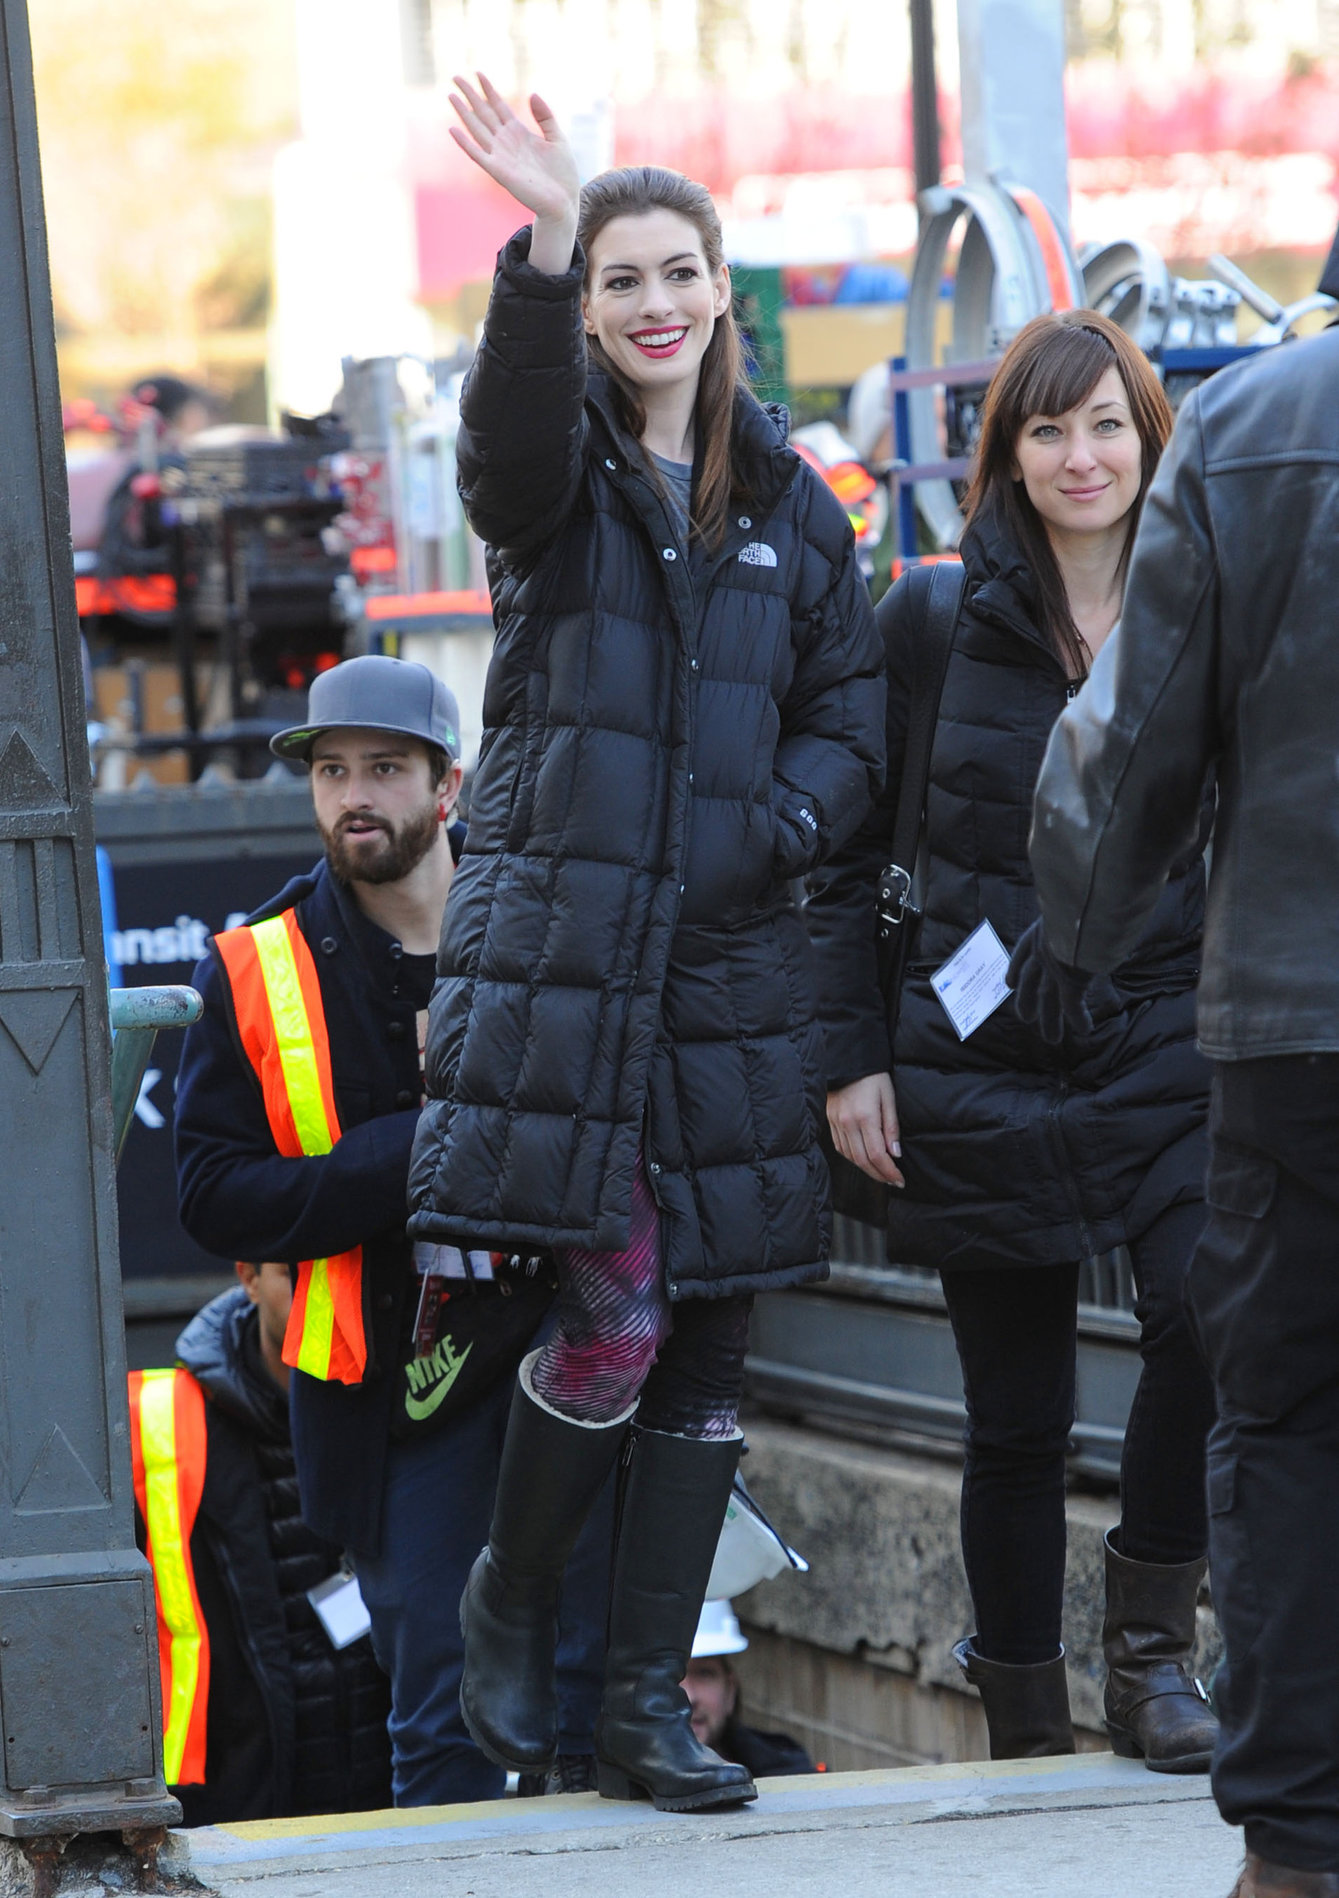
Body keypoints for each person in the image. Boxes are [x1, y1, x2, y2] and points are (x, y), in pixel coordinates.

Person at [405, 76, 884, 1815]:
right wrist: (544, 235)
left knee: (706, 1342)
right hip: (568, 964)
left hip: (726, 969)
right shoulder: (556, 483)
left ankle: (638, 1703)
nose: (654, 301)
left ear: (717, 289)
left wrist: (775, 829)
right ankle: (515, 1591)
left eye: (677, 271)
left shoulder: (788, 499)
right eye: (620, 279)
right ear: (592, 309)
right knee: (614, 1308)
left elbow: (848, 713)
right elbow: (501, 443)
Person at [806, 311, 1219, 1769]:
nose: (1078, 455)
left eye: (1104, 423)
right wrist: (851, 1056)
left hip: (1165, 1034)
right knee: (1015, 1417)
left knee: (1206, 1314)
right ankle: (1027, 1726)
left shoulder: (1208, 604)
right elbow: (847, 853)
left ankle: (1151, 1655)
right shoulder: (931, 618)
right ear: (1006, 453)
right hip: (973, 1051)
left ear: (1148, 437)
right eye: (1046, 428)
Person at [174, 653, 611, 1805]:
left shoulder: (542, 924)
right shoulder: (254, 966)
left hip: (567, 1340)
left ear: (447, 783)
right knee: (440, 1707)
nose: (353, 795)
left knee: (598, 1689)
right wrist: (417, 1142)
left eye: (383, 768)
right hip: (392, 1390)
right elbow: (213, 1194)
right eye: (331, 771)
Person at [1023, 308, 1339, 1895]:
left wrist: (1074, 935)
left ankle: (1296, 1843)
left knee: (1287, 1422)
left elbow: (1131, 738)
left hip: (1300, 1023)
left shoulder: (1258, 425)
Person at [128, 1263, 392, 1823]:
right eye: (298, 1274)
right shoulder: (161, 1424)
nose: (323, 1294)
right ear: (248, 1277)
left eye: (343, 1270)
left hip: (393, 1802)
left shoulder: (404, 1400)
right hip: (232, 1813)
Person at [682, 1602, 815, 1780]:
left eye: (704, 1674)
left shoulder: (786, 1772)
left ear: (730, 1691)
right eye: (673, 1677)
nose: (690, 1697)